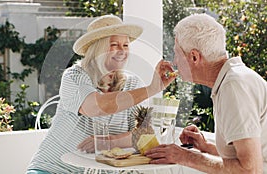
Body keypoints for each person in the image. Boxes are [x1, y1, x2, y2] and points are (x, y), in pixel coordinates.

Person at [27, 15, 176, 173]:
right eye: (114, 45)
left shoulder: (133, 84)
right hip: (52, 169)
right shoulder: (75, 76)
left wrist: (107, 142)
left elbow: (143, 135)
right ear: (98, 48)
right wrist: (152, 89)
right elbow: (96, 107)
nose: (122, 51)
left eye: (125, 45)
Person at [145, 13, 267, 173]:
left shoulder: (234, 87)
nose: (174, 62)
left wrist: (185, 157)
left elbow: (250, 170)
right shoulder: (231, 80)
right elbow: (253, 155)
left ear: (194, 57)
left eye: (177, 54)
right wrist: (206, 147)